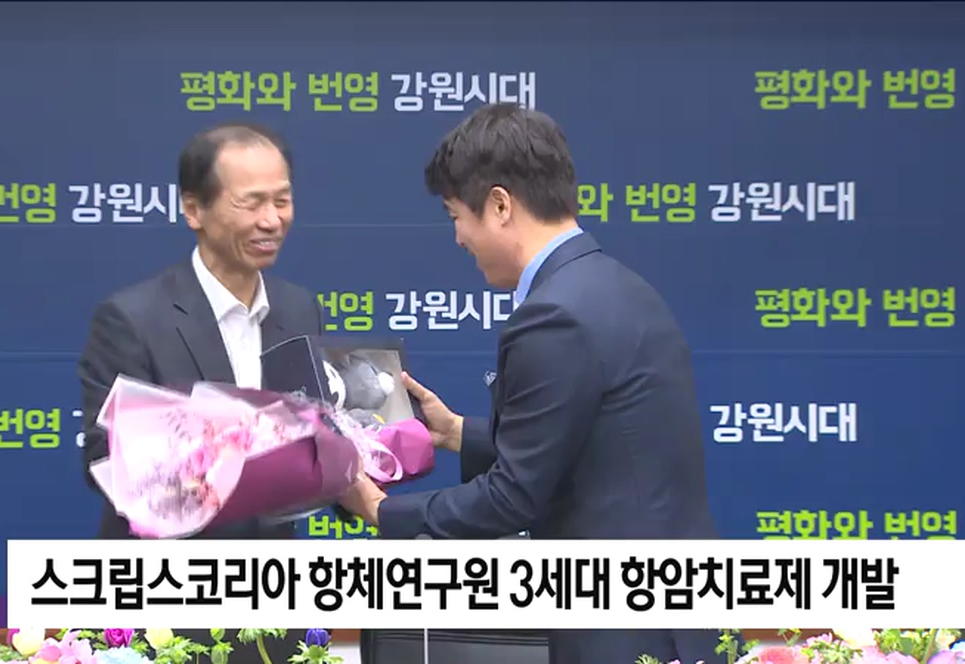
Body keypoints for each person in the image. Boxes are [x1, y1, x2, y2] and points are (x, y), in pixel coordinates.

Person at [340, 103, 721, 664]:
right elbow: (595, 446)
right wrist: (455, 433)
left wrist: (381, 510)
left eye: (456, 217)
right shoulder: (620, 287)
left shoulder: (553, 314)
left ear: (500, 205)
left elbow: (513, 496)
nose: (458, 239)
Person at [77, 122, 320, 661]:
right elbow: (106, 461)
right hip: (162, 607)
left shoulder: (299, 309)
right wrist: (228, 452)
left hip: (271, 609)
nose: (271, 220)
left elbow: (314, 438)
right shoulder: (132, 319)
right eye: (251, 203)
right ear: (193, 209)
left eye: (282, 201)